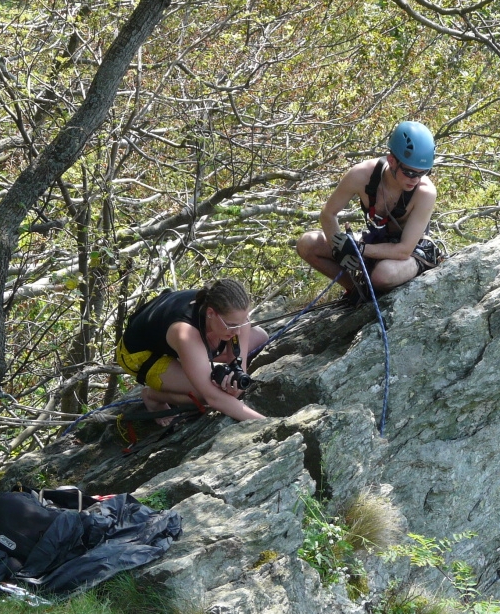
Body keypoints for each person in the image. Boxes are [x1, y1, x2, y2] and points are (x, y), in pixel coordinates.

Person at [297, 120, 439, 298]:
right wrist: (338, 249)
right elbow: (328, 213)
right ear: (392, 161)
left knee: (383, 275)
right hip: (375, 242)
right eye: (409, 172)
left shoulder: (425, 192)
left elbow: (404, 250)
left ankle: (374, 283)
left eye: (423, 172)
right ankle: (357, 290)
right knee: (307, 244)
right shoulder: (361, 175)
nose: (415, 179)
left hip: (410, 254)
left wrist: (358, 249)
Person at [115, 279, 267, 423]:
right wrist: (266, 423)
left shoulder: (231, 316)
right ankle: (153, 396)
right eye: (232, 325)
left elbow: (238, 374)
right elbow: (214, 398)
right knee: (208, 392)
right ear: (211, 313)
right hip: (142, 355)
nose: (238, 331)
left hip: (178, 340)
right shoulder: (185, 332)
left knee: (260, 337)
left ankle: (194, 364)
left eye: (243, 322)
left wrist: (235, 383)